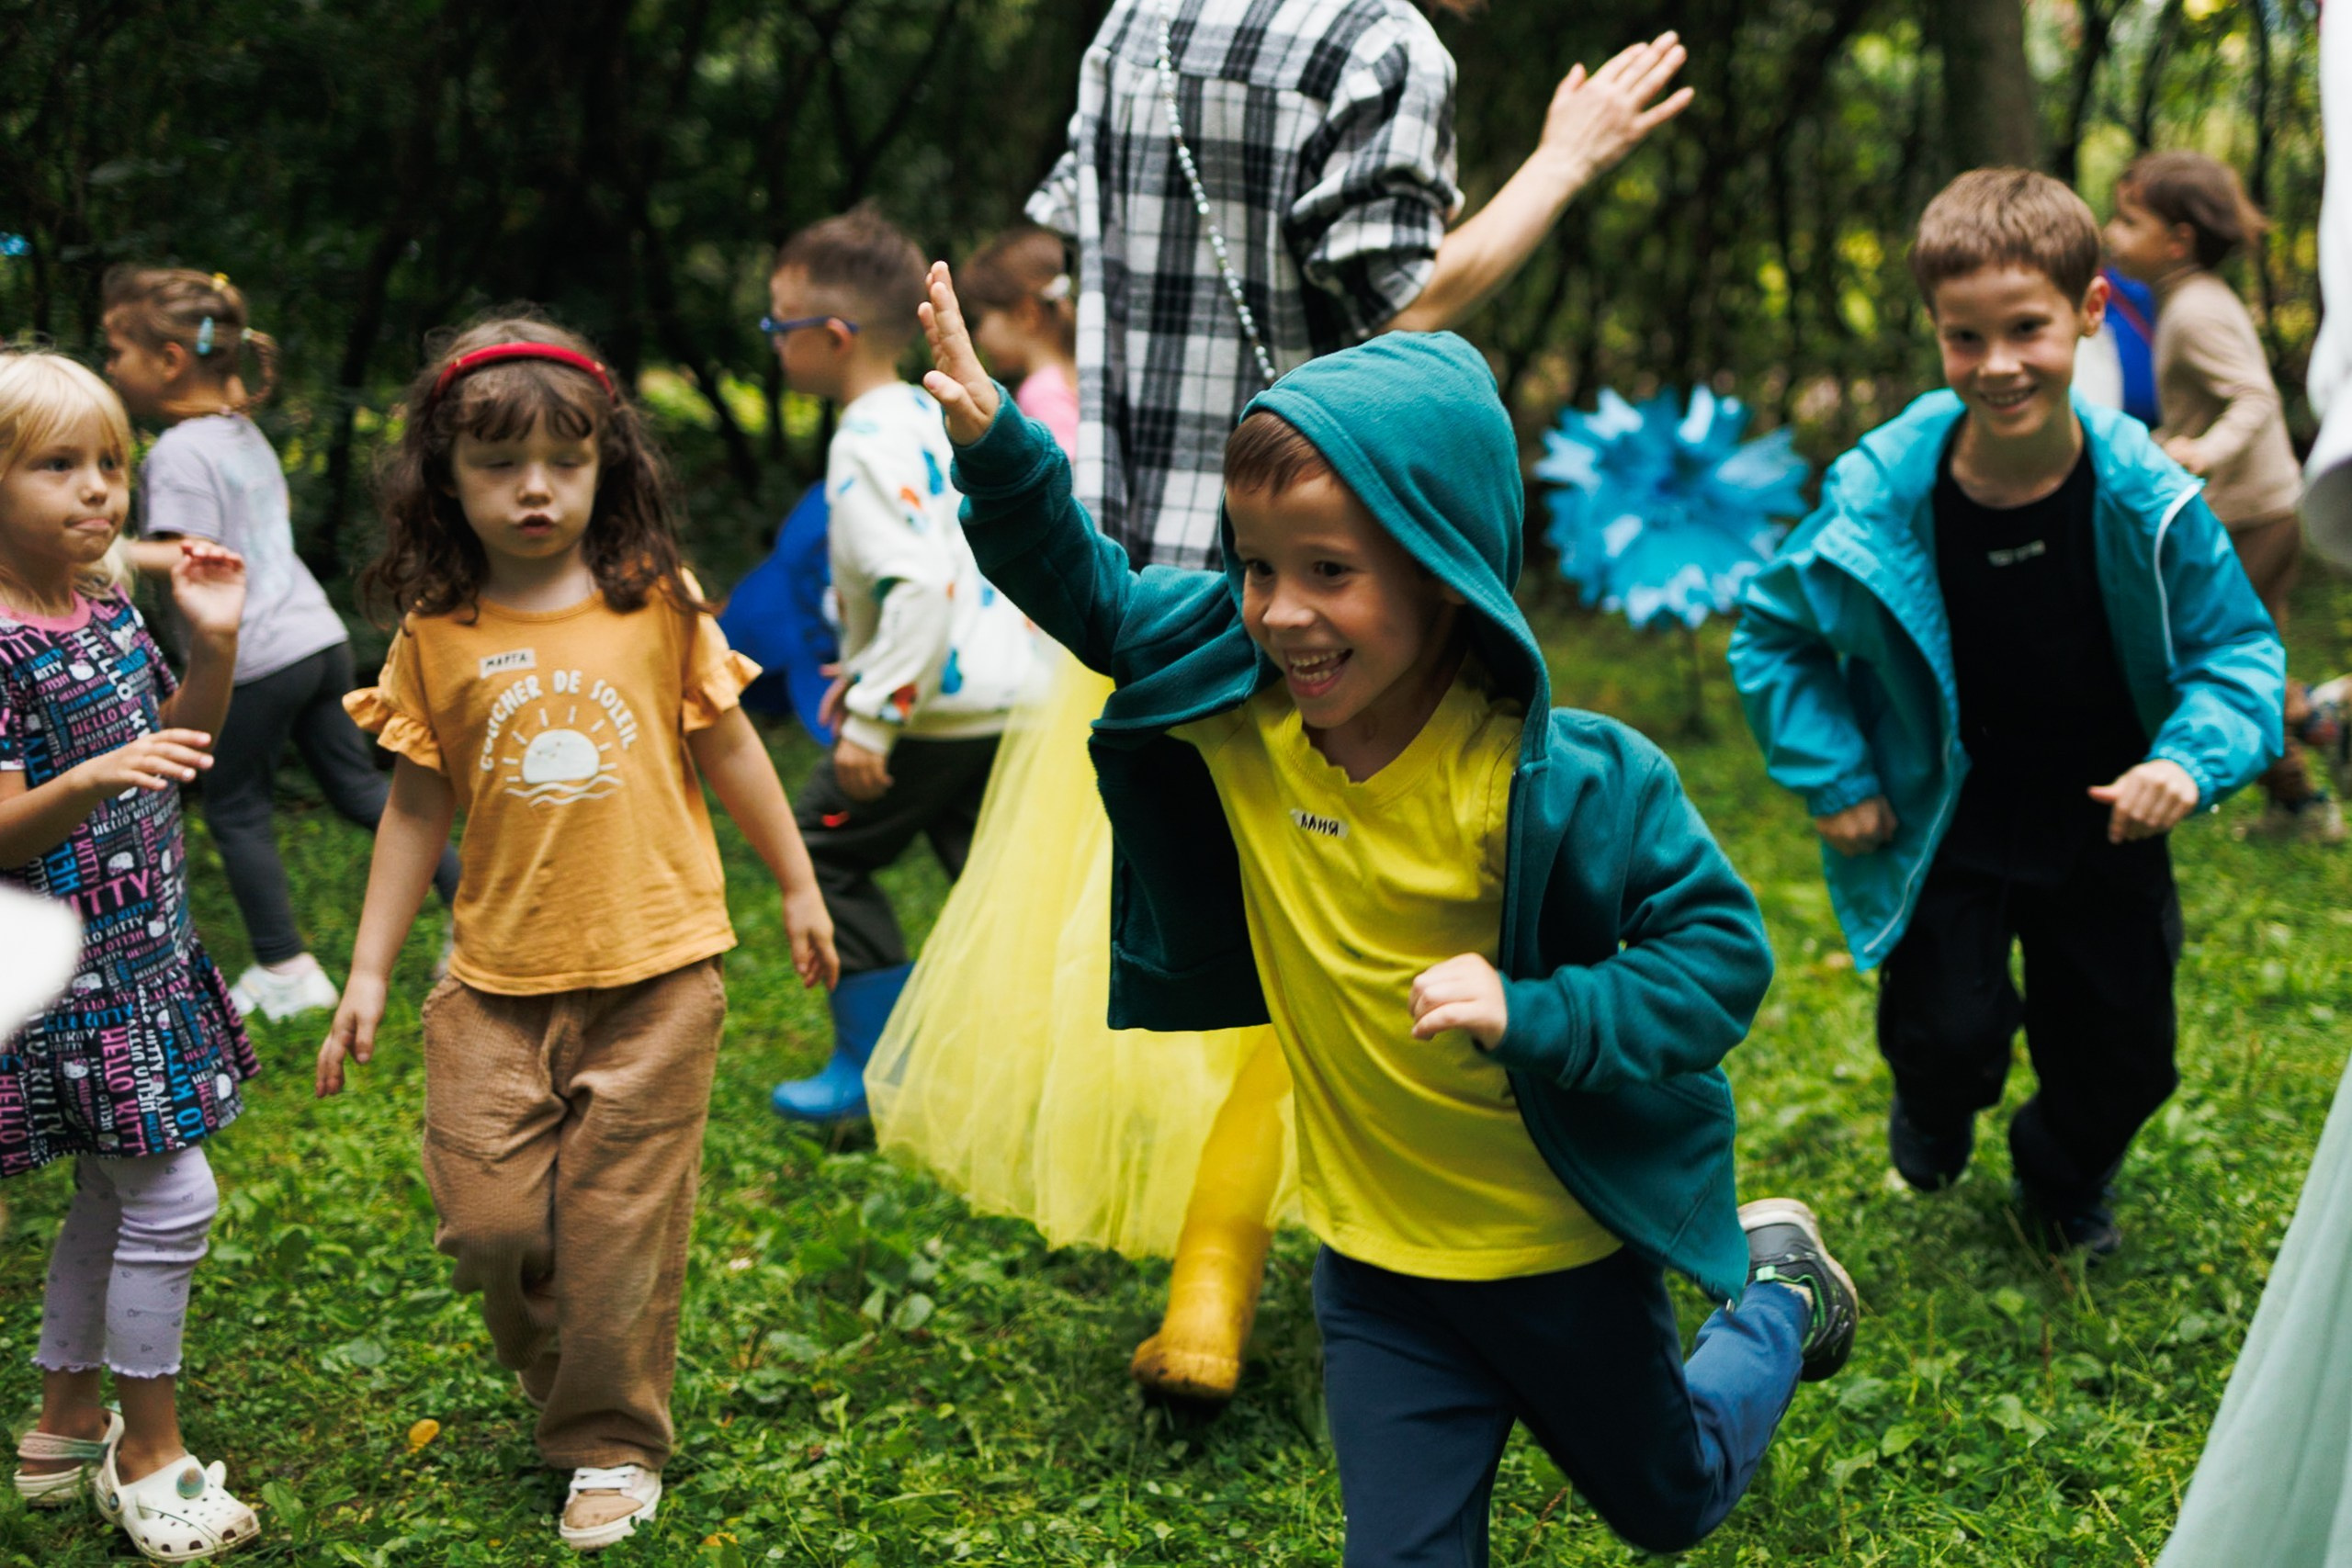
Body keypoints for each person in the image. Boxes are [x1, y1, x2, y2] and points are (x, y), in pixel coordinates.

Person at [922, 264, 1859, 1562]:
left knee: (1671, 1500)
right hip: (1374, 1268)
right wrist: (997, 445)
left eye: (1329, 570)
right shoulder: (1242, 693)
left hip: (1556, 1257)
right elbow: (1094, 593)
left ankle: (1773, 1291)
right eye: (1257, 566)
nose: (1282, 612)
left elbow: (1721, 957)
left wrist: (1535, 1009)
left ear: (1440, 568)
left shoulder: (1561, 779)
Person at [882, 0, 1695, 1404]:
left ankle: (1211, 1285)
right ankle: (1231, 1275)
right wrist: (1565, 159)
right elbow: (1402, 318)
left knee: (1233, 902)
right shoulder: (1378, 43)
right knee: (1338, 921)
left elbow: (1103, 275)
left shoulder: (1135, 20)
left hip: (1157, 561)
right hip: (1332, 567)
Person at [314, 313, 838, 1553]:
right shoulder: (438, 635)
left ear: (611, 463)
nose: (535, 486)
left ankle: (609, 1436)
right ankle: (575, 1368)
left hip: (660, 972)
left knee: (619, 1230)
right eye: (499, 462)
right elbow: (414, 804)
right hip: (496, 975)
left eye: (566, 456)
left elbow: (733, 747)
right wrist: (370, 968)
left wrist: (800, 883)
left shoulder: (652, 607)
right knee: (491, 1226)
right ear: (445, 475)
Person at [1730, 169, 2283, 1258]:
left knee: (2126, 1052)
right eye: (1962, 337)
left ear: (2088, 313)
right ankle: (1935, 1105)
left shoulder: (2148, 498)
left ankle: (2062, 1175)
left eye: (2025, 328)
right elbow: (1772, 632)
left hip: (2108, 810)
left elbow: (2238, 653)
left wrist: (2188, 758)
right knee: (1945, 1029)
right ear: (1935, 333)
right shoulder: (1882, 495)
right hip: (1948, 812)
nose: (1996, 365)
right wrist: (1835, 776)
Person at [0, 351, 261, 1560]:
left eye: (110, 464)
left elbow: (179, 745)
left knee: (115, 1189)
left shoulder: (100, 602)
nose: (99, 491)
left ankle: (61, 1422)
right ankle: (146, 1453)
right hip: (67, 974)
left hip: (143, 951)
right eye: (58, 465)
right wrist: (92, 775)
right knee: (172, 1192)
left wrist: (210, 648)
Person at [100, 266, 461, 1017]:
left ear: (169, 361)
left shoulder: (176, 453)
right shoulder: (240, 433)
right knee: (364, 789)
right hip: (313, 636)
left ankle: (285, 970)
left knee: (233, 807)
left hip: (256, 653)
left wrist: (106, 551)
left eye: (116, 352)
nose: (109, 369)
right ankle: (477, 911)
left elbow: (190, 552)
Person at [761, 208, 1041, 1123]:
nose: (771, 343)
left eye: (777, 326)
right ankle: (1033, 1068)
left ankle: (874, 1074)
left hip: (931, 715)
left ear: (832, 340)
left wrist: (876, 716)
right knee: (992, 877)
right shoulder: (932, 414)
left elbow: (916, 582)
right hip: (1004, 696)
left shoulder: (863, 440)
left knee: (823, 846)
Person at [2102, 152, 2334, 841]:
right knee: (2258, 650)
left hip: (2252, 514)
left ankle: (2316, 739)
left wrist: (2205, 450)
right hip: (2259, 508)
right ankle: (2304, 782)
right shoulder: (2187, 299)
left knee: (2214, 652)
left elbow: (2254, 396)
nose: (2113, 234)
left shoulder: (2196, 310)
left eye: (2127, 220)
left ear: (2177, 240)